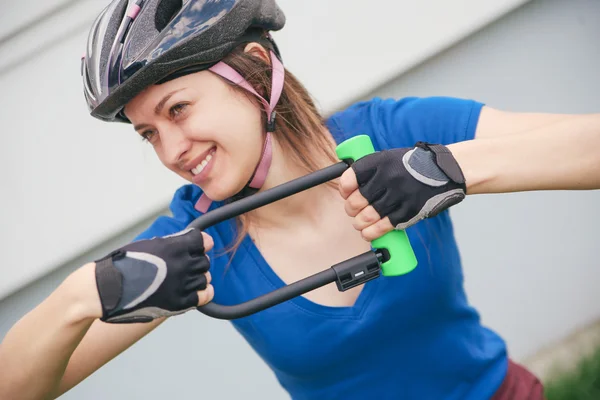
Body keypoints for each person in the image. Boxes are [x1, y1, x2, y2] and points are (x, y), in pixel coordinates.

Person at [0, 0, 598, 399]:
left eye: (177, 110)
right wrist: (84, 295)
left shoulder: (393, 135)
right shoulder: (194, 244)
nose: (171, 150)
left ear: (256, 70)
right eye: (149, 133)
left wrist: (448, 168)